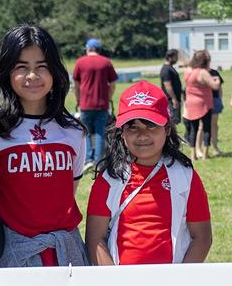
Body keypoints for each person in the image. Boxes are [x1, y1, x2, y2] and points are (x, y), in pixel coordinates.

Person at [0, 24, 89, 269]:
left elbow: (68, 192)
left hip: (66, 252)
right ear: (7, 73)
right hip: (12, 254)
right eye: (22, 67)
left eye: (42, 66)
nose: (32, 76)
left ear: (55, 71)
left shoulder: (74, 131)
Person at [86, 81, 212, 266]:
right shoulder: (109, 179)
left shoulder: (185, 177)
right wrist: (113, 280)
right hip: (121, 281)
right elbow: (94, 240)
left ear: (167, 128)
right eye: (133, 127)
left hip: (173, 280)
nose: (142, 135)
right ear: (122, 132)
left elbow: (202, 237)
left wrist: (181, 277)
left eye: (151, 125)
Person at [72, 38, 118, 168]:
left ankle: (88, 159)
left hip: (85, 104)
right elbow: (113, 84)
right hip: (102, 104)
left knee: (85, 132)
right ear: (99, 49)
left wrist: (78, 99)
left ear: (88, 49)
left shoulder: (80, 62)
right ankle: (98, 161)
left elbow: (76, 85)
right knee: (100, 132)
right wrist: (108, 97)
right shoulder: (106, 62)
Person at [183, 50, 221, 160]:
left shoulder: (188, 71)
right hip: (204, 103)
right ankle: (205, 154)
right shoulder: (202, 72)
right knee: (206, 128)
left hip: (191, 103)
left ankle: (193, 155)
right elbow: (215, 86)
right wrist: (217, 80)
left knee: (193, 129)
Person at [160, 49, 184, 124]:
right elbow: (168, 86)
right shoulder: (166, 70)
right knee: (172, 121)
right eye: (176, 57)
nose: (177, 59)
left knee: (176, 121)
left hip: (174, 99)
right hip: (170, 100)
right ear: (170, 57)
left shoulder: (170, 68)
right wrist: (174, 99)